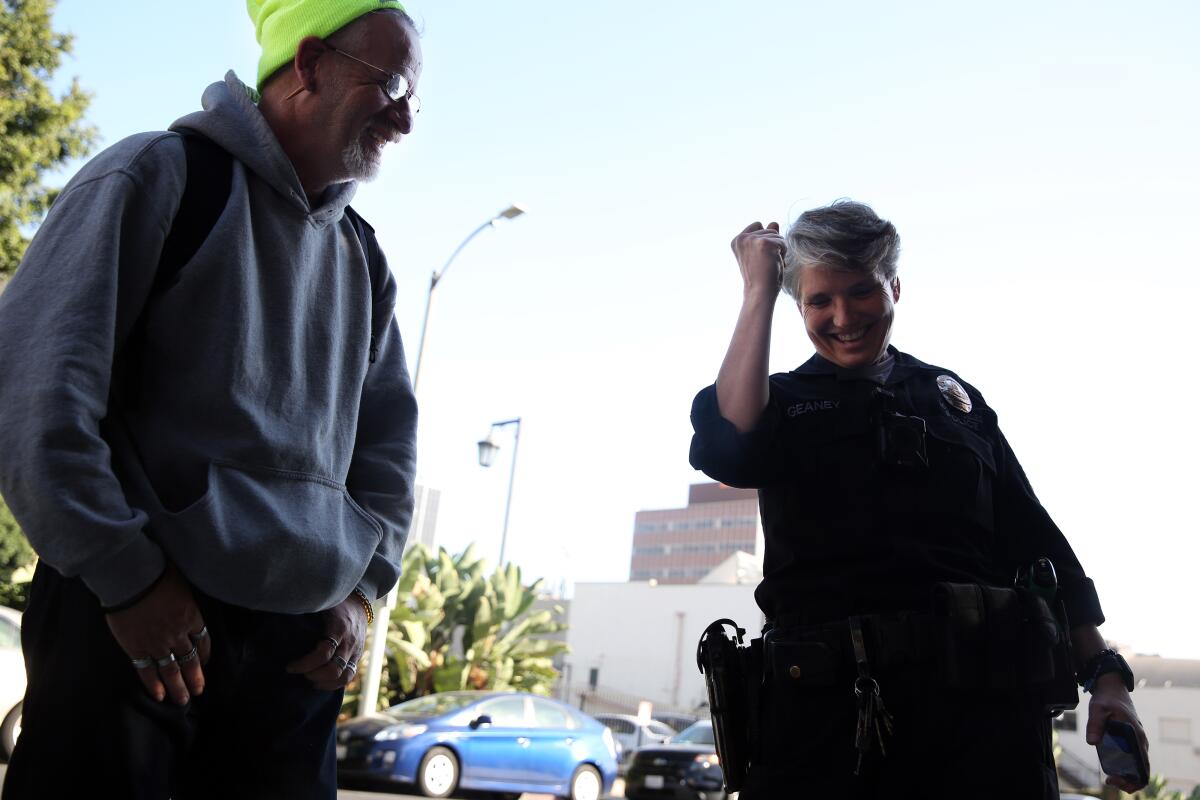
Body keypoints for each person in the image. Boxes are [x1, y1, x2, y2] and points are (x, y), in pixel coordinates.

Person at [0, 2, 421, 797]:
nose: (405, 115)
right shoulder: (155, 177)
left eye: (415, 94)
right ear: (308, 65)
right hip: (133, 631)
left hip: (293, 668)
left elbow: (389, 454)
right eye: (392, 82)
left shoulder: (365, 258)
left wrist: (362, 596)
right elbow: (33, 400)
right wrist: (127, 579)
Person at [689, 200, 1148, 799]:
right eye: (818, 301)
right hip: (827, 729)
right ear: (796, 306)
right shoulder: (778, 403)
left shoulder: (952, 398)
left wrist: (1108, 679)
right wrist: (757, 294)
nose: (843, 316)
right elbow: (731, 448)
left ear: (895, 287)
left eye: (861, 292)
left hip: (981, 726)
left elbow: (1033, 538)